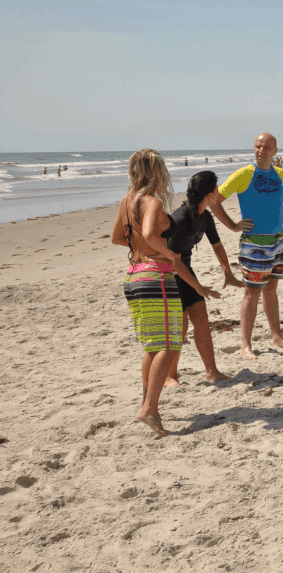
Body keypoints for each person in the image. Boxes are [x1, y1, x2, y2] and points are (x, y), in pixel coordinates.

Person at [110, 149, 221, 436]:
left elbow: (117, 238)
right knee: (171, 344)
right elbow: (148, 235)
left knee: (153, 346)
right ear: (158, 172)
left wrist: (140, 252)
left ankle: (149, 405)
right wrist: (166, 255)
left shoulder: (127, 200)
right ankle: (148, 409)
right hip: (155, 278)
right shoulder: (153, 202)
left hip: (133, 276)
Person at [209, 133, 283, 359]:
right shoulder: (244, 174)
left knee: (271, 290)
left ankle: (276, 336)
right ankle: (245, 345)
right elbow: (214, 201)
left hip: (279, 240)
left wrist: (282, 216)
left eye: (267, 147)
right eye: (258, 146)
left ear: (275, 151)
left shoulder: (282, 175)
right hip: (254, 243)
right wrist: (233, 226)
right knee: (251, 293)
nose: (262, 150)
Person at [165, 171, 247, 384]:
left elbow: (217, 246)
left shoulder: (205, 216)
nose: (218, 193)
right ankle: (170, 376)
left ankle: (211, 371)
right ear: (209, 195)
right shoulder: (180, 219)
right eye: (216, 190)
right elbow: (173, 261)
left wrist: (228, 273)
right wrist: (200, 287)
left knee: (201, 320)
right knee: (180, 328)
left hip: (185, 270)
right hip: (167, 274)